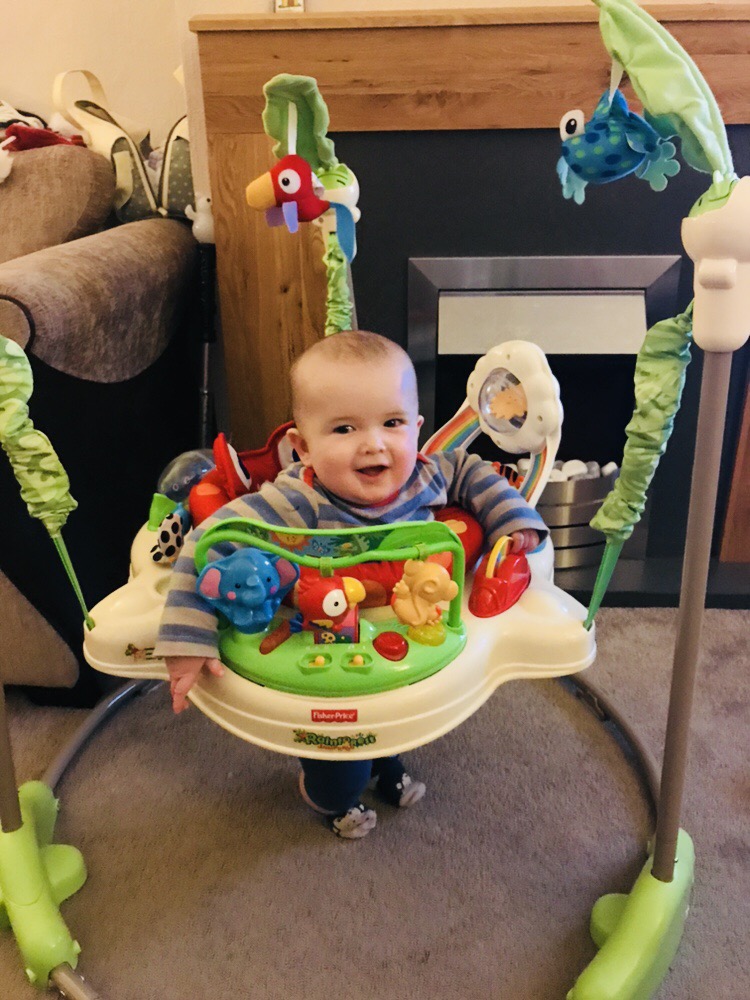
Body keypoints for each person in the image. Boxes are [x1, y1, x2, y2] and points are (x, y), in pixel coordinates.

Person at [156, 331, 546, 839]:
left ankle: (387, 764)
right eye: (344, 428)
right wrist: (186, 638)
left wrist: (512, 519)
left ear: (417, 430)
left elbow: (473, 473)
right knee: (338, 758)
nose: (374, 443)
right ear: (304, 447)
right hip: (323, 628)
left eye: (393, 423)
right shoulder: (296, 500)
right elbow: (210, 541)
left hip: (406, 618)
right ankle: (329, 798)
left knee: (394, 721)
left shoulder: (426, 474)